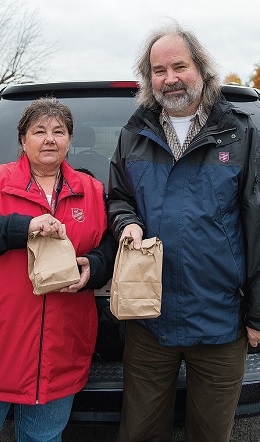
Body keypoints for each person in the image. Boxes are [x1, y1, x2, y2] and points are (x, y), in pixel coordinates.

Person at [108, 21, 260, 442]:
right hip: (148, 320)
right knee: (137, 432)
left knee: (211, 434)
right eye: (159, 70)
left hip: (220, 321)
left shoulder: (242, 134)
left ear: (202, 70)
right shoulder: (133, 136)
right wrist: (129, 222)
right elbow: (118, 198)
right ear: (149, 78)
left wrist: (258, 313)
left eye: (180, 66)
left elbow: (258, 227)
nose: (170, 79)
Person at [0, 97, 117, 442]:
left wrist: (97, 265)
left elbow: (108, 244)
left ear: (69, 140)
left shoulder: (92, 191)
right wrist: (24, 227)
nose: (50, 139)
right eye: (39, 131)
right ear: (22, 140)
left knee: (44, 438)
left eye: (59, 131)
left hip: (60, 352)